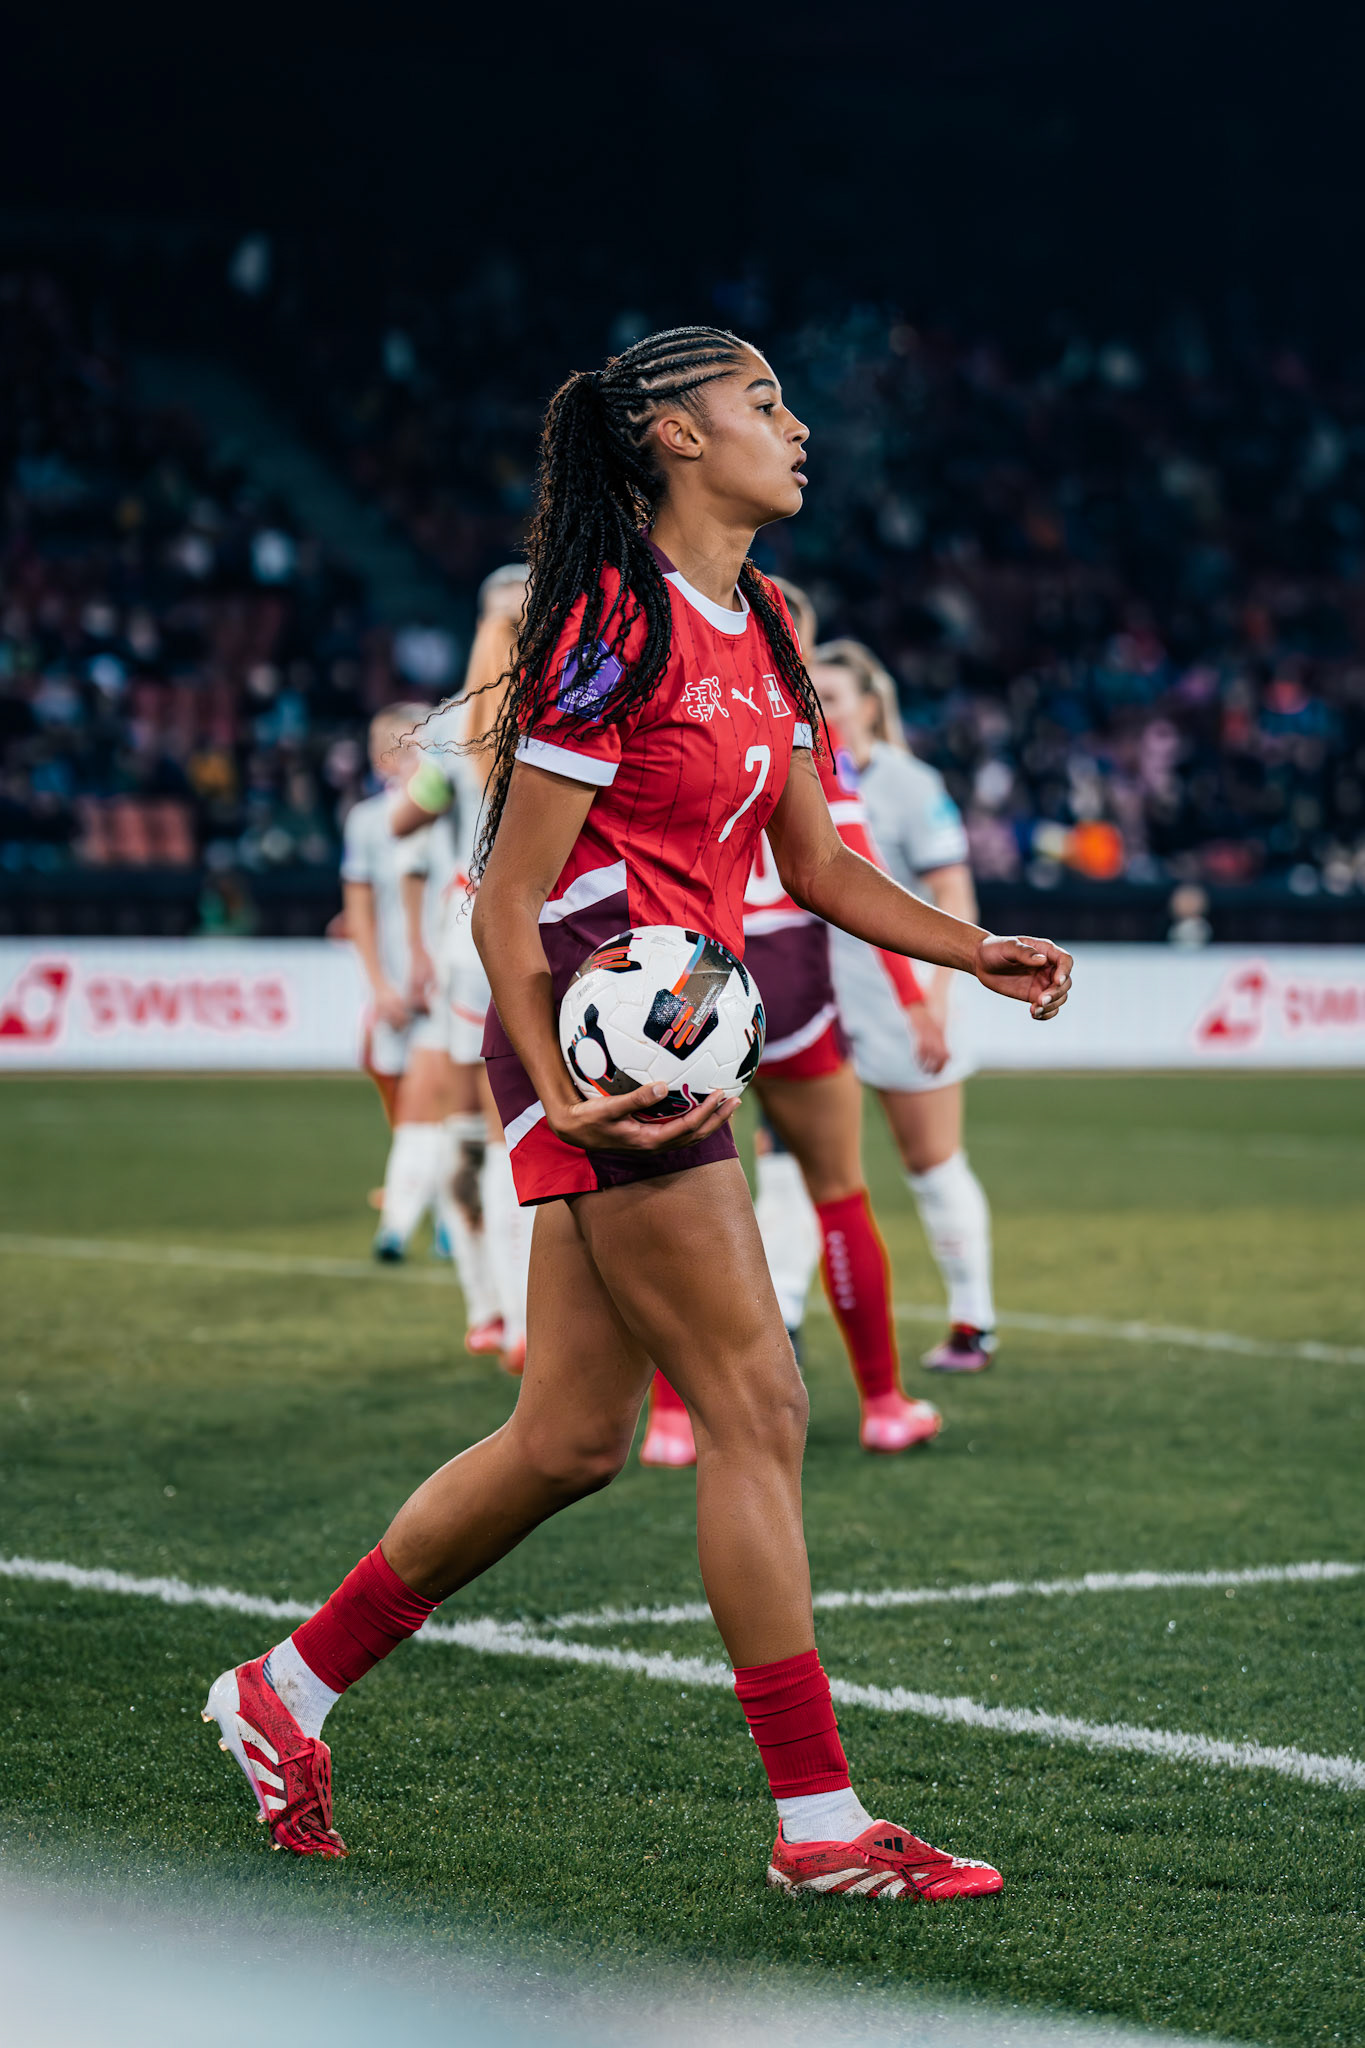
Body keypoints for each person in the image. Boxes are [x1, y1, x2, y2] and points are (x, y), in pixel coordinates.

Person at [202, 325, 1071, 1900]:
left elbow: (810, 867)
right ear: (672, 434)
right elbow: (507, 893)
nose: (796, 429)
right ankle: (818, 1830)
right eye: (762, 404)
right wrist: (558, 1080)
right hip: (602, 1062)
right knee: (759, 1407)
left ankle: (283, 1690)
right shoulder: (607, 626)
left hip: (646, 1057)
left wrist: (975, 947)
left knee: (571, 1437)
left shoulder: (760, 631)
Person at [640, 718, 949, 1465]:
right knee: (838, 1192)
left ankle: (671, 1421)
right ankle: (882, 1405)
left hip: (699, 975)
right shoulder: (801, 725)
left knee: (676, 1199)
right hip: (790, 974)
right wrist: (914, 997)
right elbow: (852, 865)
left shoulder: (682, 708)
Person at [816, 640, 997, 1372]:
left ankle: (971, 1321)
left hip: (900, 999)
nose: (820, 708)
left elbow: (952, 889)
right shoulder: (789, 773)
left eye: (831, 696)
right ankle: (785, 1325)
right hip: (810, 998)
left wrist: (936, 993)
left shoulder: (908, 784)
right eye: (811, 694)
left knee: (929, 1161)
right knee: (800, 1167)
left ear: (865, 704)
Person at [390, 566, 533, 1373]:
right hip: (536, 935)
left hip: (463, 941)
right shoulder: (561, 698)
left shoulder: (452, 731)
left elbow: (406, 816)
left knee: (471, 1133)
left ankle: (498, 1315)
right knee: (530, 1137)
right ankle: (528, 1319)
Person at [341, 706, 482, 1282]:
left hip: (448, 975)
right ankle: (443, 1218)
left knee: (441, 1102)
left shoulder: (447, 786)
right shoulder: (380, 816)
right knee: (422, 1105)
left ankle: (411, 1225)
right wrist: (382, 981)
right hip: (425, 974)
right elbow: (368, 901)